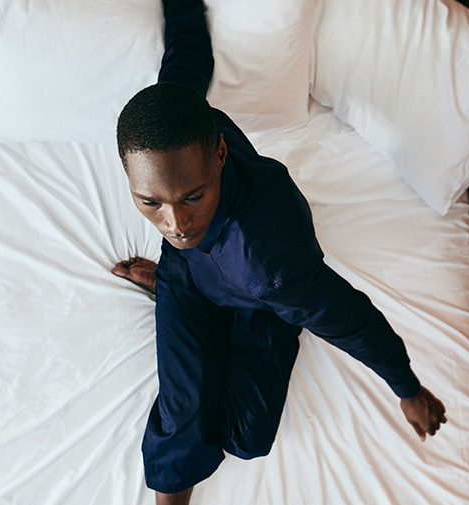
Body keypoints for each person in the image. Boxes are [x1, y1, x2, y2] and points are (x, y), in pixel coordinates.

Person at [112, 1, 447, 504]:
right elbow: (187, 55)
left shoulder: (272, 264)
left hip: (259, 302)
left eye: (192, 197)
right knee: (183, 412)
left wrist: (408, 389)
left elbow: (351, 319)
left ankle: (210, 318)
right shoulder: (180, 119)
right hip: (189, 278)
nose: (175, 224)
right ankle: (177, 291)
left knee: (246, 438)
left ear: (220, 154)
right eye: (150, 202)